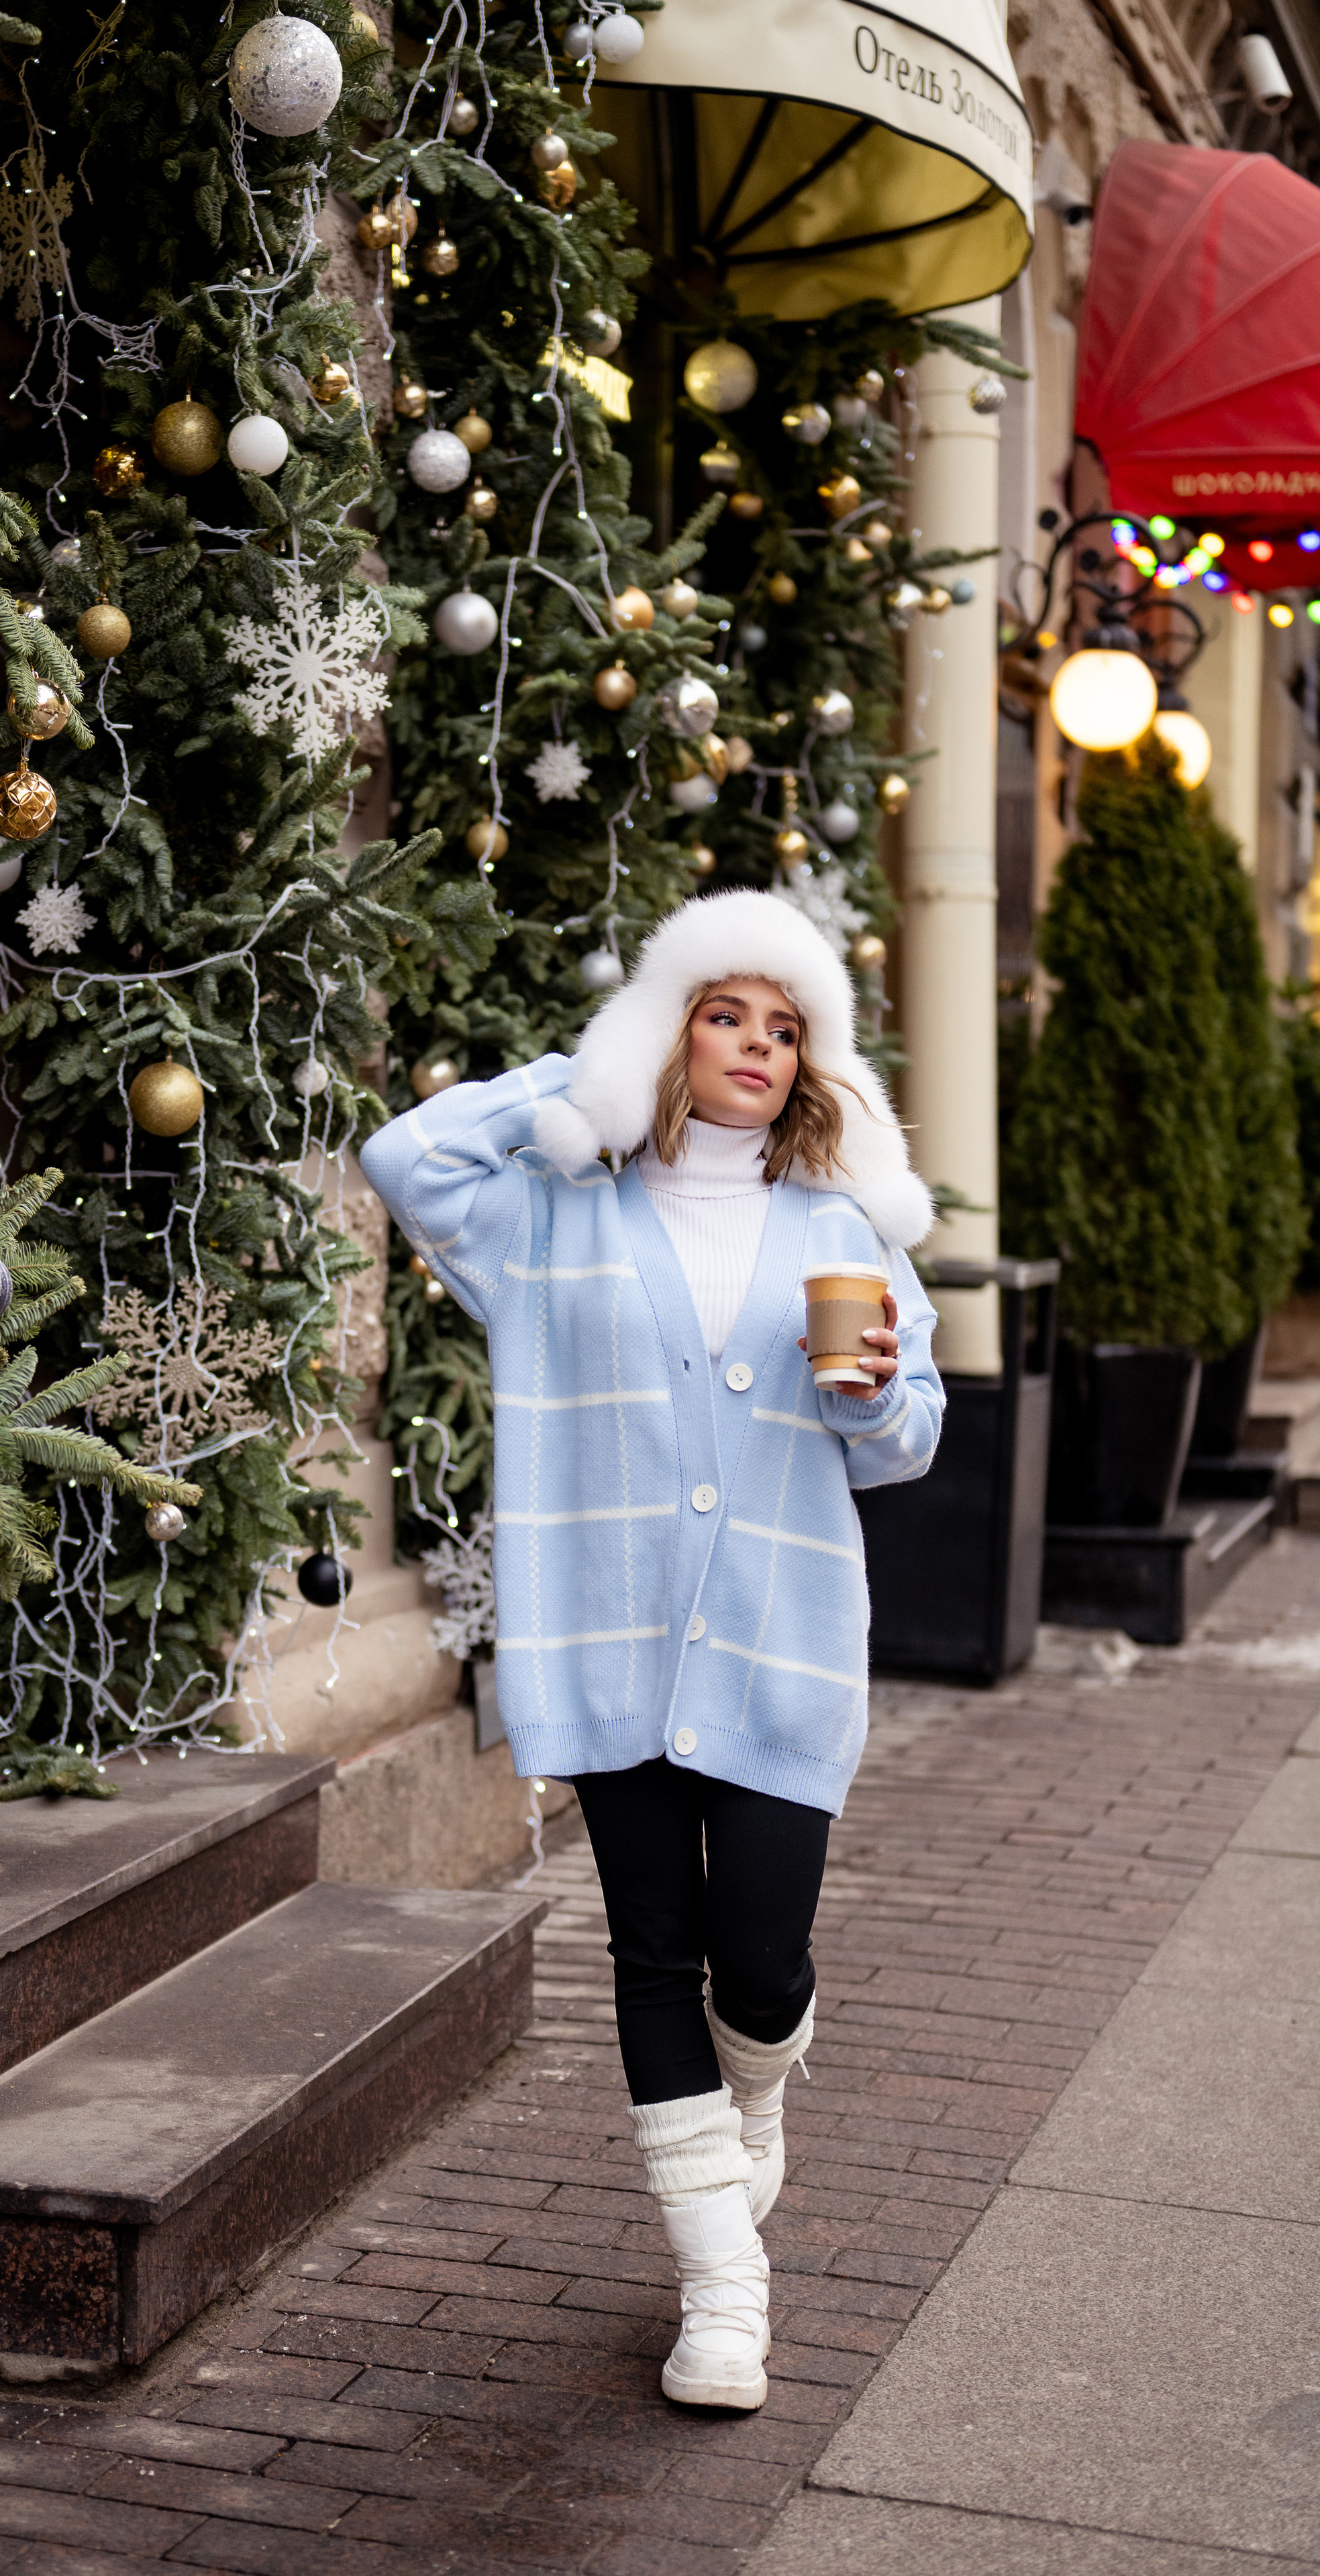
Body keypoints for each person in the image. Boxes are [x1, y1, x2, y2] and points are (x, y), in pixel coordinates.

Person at [360, 889, 944, 2414]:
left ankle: (758, 2090)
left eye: (782, 1025)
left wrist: (875, 1392)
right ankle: (719, 2293)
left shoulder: (843, 1229)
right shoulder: (552, 1218)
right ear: (672, 1036)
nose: (754, 1043)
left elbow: (904, 1446)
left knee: (757, 1962)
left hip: (779, 1646)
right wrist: (587, 1078)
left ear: (809, 1064)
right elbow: (402, 1159)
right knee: (646, 1956)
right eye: (719, 1011)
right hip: (608, 1641)